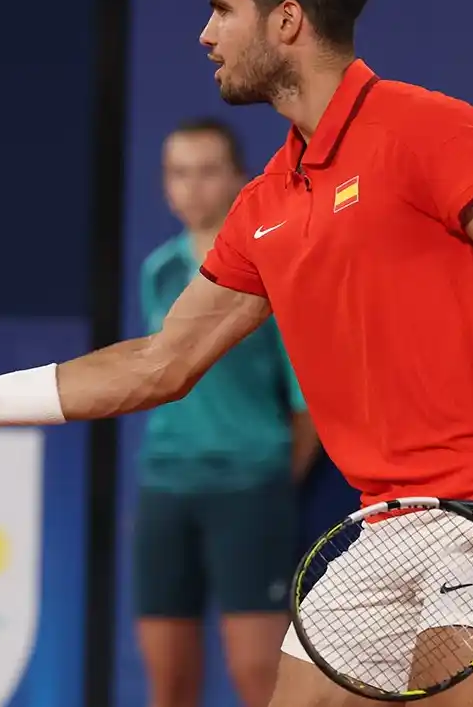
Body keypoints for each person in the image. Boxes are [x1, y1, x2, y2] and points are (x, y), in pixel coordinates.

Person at [0, 0, 473, 706]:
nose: (206, 36)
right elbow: (159, 360)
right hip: (380, 528)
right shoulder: (264, 207)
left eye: (222, 9)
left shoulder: (429, 131)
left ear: (286, 21)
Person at [135, 118, 319, 707]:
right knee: (168, 682)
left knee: (257, 675)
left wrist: (263, 475)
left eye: (208, 171)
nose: (193, 188)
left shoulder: (271, 267)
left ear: (240, 180)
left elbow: (305, 402)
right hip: (164, 487)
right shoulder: (157, 271)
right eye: (178, 173)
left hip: (250, 488)